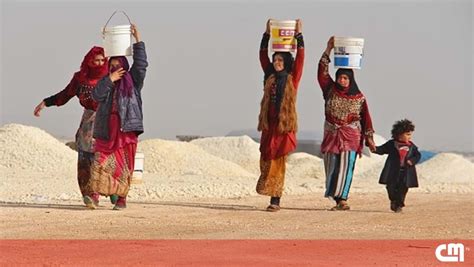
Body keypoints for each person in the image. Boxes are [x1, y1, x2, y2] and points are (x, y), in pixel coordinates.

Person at [33, 46, 108, 209]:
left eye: (103, 60)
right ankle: (90, 196)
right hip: (88, 123)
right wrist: (46, 102)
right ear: (89, 61)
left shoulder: (111, 77)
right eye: (96, 60)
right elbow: (65, 94)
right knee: (85, 160)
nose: (100, 63)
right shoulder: (80, 79)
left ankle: (115, 192)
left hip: (108, 121)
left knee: (105, 159)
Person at [88, 24, 148, 210]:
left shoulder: (134, 81)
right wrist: (109, 80)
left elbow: (141, 65)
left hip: (126, 130)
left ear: (124, 65)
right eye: (111, 66)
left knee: (123, 165)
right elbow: (95, 96)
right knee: (100, 161)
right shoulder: (105, 82)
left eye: (118, 66)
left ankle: (121, 199)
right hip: (107, 128)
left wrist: (138, 40)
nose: (115, 68)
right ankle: (94, 196)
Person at [317, 36, 376, 211]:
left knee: (346, 166)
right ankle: (336, 197)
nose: (342, 81)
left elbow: (366, 118)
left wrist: (369, 139)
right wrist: (328, 49)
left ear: (351, 80)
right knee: (332, 167)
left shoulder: (359, 97)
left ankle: (343, 199)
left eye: (345, 78)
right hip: (331, 135)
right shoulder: (329, 89)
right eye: (340, 78)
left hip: (351, 136)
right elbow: (322, 72)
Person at [256, 19, 304, 212]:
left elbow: (300, 59)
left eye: (280, 60)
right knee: (266, 159)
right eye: (275, 60)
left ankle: (275, 199)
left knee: (279, 162)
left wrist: (299, 36)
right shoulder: (269, 76)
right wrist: (266, 34)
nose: (276, 63)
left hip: (283, 128)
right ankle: (269, 189)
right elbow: (262, 56)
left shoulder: (293, 78)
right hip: (269, 126)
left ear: (286, 62)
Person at [373, 119, 421, 213]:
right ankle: (393, 200)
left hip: (406, 172)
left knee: (403, 188)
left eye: (410, 134)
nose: (409, 137)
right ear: (399, 134)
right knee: (390, 187)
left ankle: (399, 205)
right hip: (392, 171)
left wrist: (412, 161)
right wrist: (372, 147)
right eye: (407, 134)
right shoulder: (391, 144)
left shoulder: (412, 146)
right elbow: (380, 150)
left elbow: (418, 155)